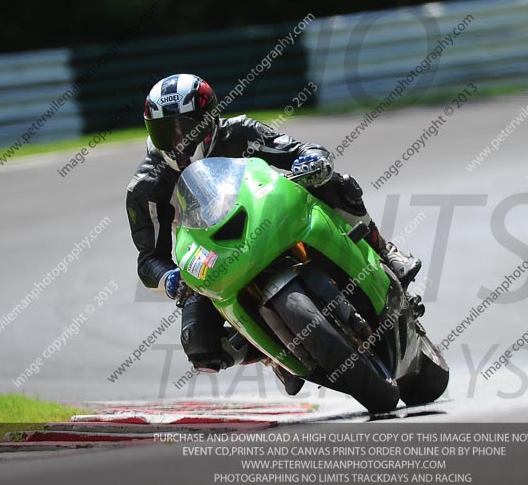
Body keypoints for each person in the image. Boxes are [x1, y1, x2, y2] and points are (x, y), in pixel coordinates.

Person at [125, 73, 420, 394]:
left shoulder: (240, 132)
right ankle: (271, 354)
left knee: (336, 183)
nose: (178, 140)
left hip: (265, 217)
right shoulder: (147, 187)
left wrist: (315, 159)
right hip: (211, 254)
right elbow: (149, 260)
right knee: (201, 348)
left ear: (209, 120)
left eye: (186, 127)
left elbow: (296, 149)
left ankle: (384, 251)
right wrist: (170, 280)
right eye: (165, 130)